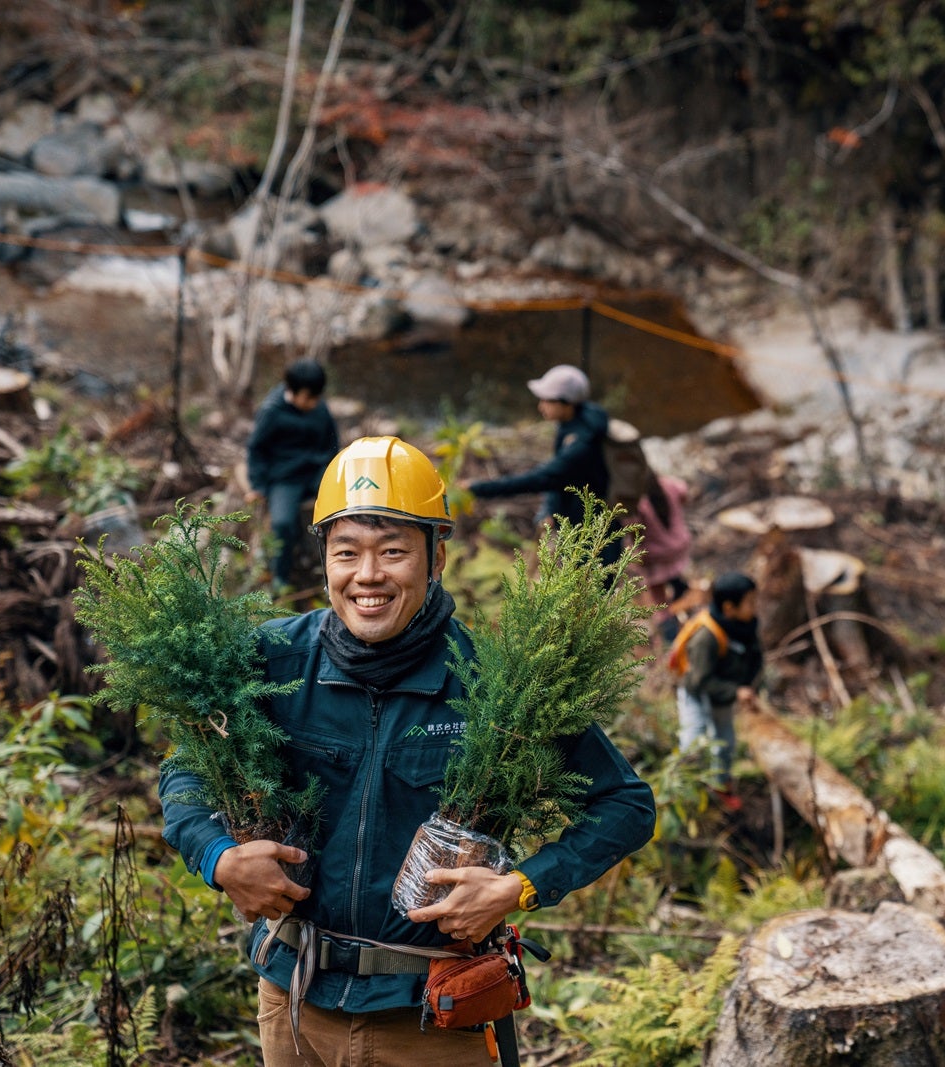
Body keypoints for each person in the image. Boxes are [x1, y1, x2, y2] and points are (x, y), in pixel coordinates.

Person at [161, 436, 656, 1067]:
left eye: (393, 551)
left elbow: (625, 805)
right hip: (293, 1002)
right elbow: (187, 769)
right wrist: (218, 858)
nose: (368, 576)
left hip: (431, 1017)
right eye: (347, 553)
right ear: (326, 563)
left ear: (436, 556)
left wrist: (519, 888)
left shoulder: (498, 686)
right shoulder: (270, 661)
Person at [466, 364, 611, 535]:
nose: (541, 406)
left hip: (594, 530)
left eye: (548, 400)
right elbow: (560, 480)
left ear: (567, 403)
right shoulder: (572, 424)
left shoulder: (582, 441)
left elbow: (544, 478)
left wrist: (477, 488)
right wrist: (549, 510)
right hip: (576, 523)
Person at [671, 572, 763, 811]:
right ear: (729, 607)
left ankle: (720, 783)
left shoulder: (745, 626)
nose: (755, 607)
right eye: (750, 602)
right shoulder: (707, 637)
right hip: (697, 692)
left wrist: (749, 689)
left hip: (723, 693)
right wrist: (736, 691)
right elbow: (698, 681)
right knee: (694, 738)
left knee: (725, 741)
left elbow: (754, 659)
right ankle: (680, 788)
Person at [246, 360, 340, 590]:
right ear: (295, 392)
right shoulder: (272, 412)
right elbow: (256, 449)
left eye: (317, 397)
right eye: (309, 398)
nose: (314, 403)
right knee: (283, 523)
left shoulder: (319, 407)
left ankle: (335, 570)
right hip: (285, 478)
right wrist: (258, 484)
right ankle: (281, 577)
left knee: (340, 512)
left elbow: (331, 442)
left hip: (317, 470)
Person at [632, 468, 693, 645]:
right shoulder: (669, 485)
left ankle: (673, 640)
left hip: (655, 556)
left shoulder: (638, 501)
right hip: (677, 547)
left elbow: (631, 526)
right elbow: (684, 491)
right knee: (677, 582)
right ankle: (688, 615)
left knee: (659, 602)